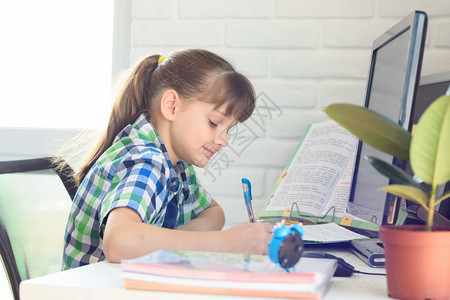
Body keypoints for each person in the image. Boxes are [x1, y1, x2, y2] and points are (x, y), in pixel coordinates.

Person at [62, 48, 273, 270]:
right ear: (171, 106)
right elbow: (119, 242)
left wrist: (172, 240)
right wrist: (226, 243)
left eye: (228, 130)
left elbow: (213, 212)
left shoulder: (178, 165)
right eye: (214, 122)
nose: (223, 141)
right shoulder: (146, 161)